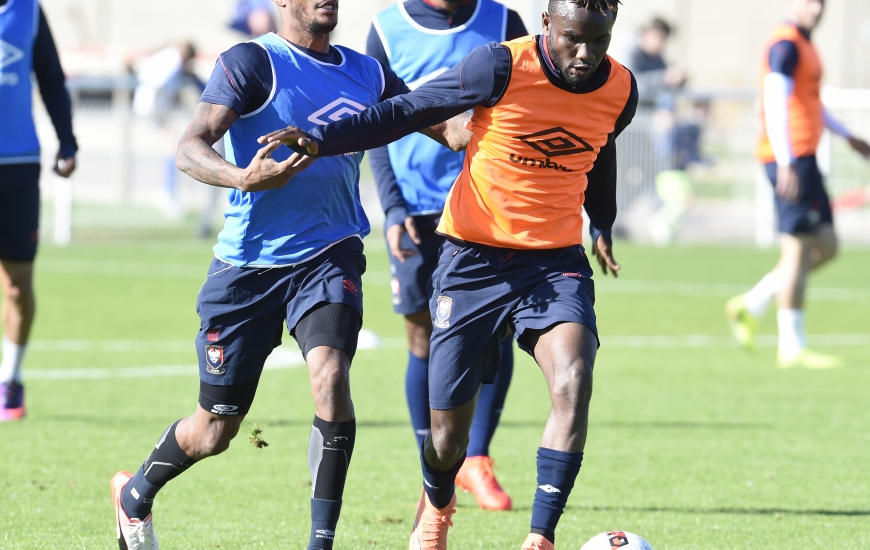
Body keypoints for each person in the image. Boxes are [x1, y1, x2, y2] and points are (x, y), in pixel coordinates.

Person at [262, 0, 637, 547]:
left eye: (599, 41)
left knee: (573, 378)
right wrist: (325, 141)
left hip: (555, 262)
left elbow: (600, 146)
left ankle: (540, 536)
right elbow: (407, 110)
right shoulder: (499, 66)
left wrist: (601, 220)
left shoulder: (621, 89)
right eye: (573, 38)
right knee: (445, 438)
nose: (585, 55)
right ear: (547, 25)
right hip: (472, 260)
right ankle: (438, 503)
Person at [108, 1, 466, 548]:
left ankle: (319, 542)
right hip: (247, 269)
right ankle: (134, 497)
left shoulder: (367, 71)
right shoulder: (252, 62)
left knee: (331, 378)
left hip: (331, 254)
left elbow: (435, 122)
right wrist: (242, 178)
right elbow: (189, 146)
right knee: (215, 429)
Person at [366, 0, 527, 511]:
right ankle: (433, 464)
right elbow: (378, 125)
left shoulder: (504, 23)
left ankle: (476, 459)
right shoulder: (387, 29)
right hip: (416, 209)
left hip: (485, 204)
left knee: (495, 329)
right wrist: (391, 209)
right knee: (422, 335)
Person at [726, 0, 870, 369]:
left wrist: (846, 136)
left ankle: (752, 303)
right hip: (787, 160)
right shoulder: (785, 45)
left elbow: (809, 102)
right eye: (810, 2)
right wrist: (787, 161)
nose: (817, 9)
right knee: (798, 252)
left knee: (828, 245)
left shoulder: (805, 44)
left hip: (804, 158)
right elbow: (775, 102)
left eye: (822, 3)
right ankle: (791, 345)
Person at [0, 0, 77, 421]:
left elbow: (50, 77)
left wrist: (67, 140)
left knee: (17, 284)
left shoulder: (28, 10)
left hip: (17, 166)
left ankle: (10, 379)